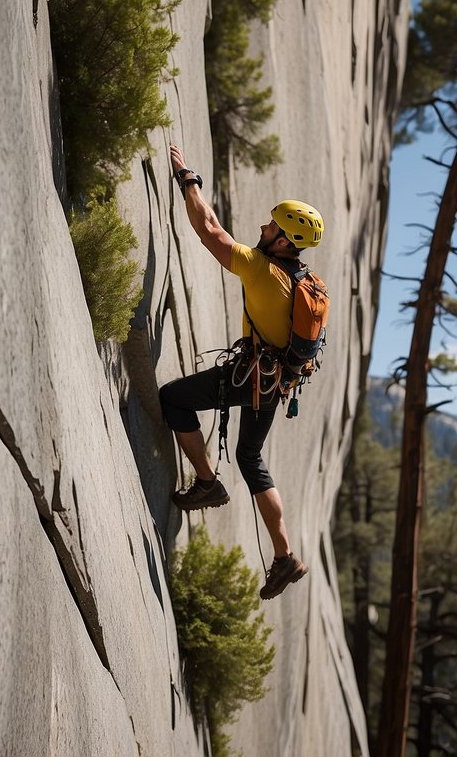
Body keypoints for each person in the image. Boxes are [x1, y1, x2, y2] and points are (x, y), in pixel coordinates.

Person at [159, 142, 324, 600]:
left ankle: (209, 483)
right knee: (250, 457)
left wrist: (187, 179)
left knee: (174, 398)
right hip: (276, 383)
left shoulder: (262, 269)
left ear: (284, 241)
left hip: (253, 377)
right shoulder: (302, 279)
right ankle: (285, 554)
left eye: (272, 224)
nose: (263, 226)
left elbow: (209, 229)